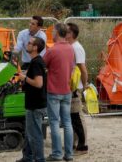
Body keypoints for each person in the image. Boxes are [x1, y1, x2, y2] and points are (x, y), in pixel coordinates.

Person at [44, 23, 74, 162]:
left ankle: (57, 154)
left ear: (56, 32)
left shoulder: (52, 50)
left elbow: (43, 66)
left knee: (54, 123)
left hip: (54, 91)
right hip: (67, 90)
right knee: (67, 123)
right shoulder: (70, 48)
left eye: (53, 31)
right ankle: (69, 154)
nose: (52, 34)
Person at [16, 36, 47, 162]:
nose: (26, 44)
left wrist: (24, 78)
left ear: (35, 47)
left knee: (35, 135)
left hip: (35, 105)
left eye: (29, 43)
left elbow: (38, 83)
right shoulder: (37, 61)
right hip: (33, 104)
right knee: (29, 133)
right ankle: (27, 157)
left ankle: (39, 159)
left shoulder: (36, 63)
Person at [66, 22, 89, 155]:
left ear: (72, 34)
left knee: (78, 117)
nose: (65, 33)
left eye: (67, 31)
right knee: (73, 117)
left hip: (76, 88)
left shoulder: (77, 47)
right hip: (72, 88)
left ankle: (82, 146)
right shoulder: (71, 46)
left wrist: (84, 85)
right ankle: (74, 144)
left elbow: (83, 68)